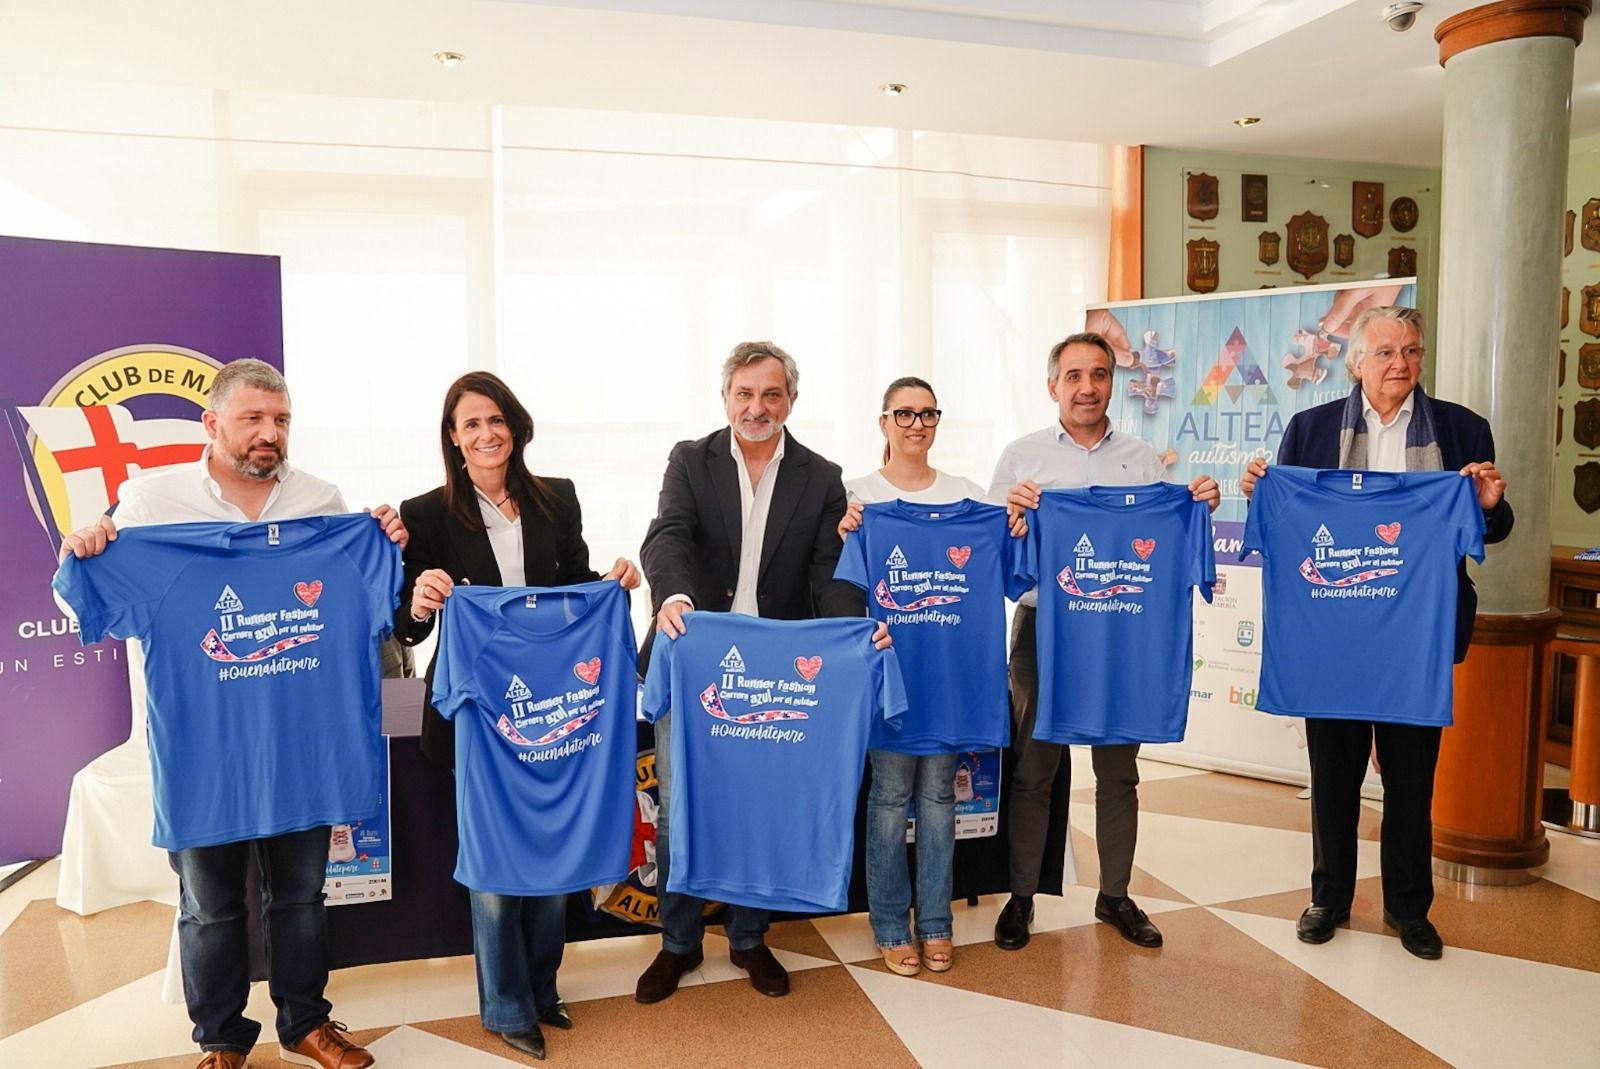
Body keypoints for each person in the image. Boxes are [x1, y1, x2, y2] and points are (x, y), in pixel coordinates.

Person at [59, 359, 405, 1069]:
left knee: (302, 896)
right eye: (252, 419)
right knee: (209, 905)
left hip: (302, 745)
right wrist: (85, 550)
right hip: (204, 752)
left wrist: (385, 542)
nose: (268, 433)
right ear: (212, 424)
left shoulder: (323, 503)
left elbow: (376, 604)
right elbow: (84, 602)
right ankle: (220, 1039)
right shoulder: (152, 505)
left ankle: (307, 1022)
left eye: (280, 420)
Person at [1241, 305, 1511, 960]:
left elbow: (1490, 533)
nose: (1401, 365)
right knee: (1333, 774)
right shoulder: (1308, 430)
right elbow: (1286, 523)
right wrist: (1258, 489)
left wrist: (1490, 504)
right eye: (1387, 352)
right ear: (1356, 361)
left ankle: (1408, 907)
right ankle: (1328, 896)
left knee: (1412, 780)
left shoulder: (1460, 427)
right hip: (1330, 633)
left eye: (1412, 352)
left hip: (1416, 637)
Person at [634, 340, 888, 1003]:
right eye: (744, 393)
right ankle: (678, 942)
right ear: (725, 398)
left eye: (771, 394)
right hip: (694, 658)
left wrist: (852, 632)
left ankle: (749, 938)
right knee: (680, 810)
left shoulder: (821, 474)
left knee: (763, 807)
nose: (757, 406)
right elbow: (668, 535)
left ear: (791, 401)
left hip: (778, 673)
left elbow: (829, 569)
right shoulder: (690, 460)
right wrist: (675, 596)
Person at [397, 371, 639, 1058]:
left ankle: (542, 988)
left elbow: (574, 595)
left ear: (516, 425)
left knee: (554, 858)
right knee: (499, 869)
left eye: (495, 419)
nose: (485, 433)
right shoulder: (427, 512)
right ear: (453, 436)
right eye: (470, 423)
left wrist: (614, 583)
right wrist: (421, 600)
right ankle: (505, 1008)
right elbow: (407, 630)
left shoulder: (555, 498)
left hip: (554, 709)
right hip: (478, 717)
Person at [989, 332, 1219, 952]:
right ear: (1052, 386)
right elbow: (994, 554)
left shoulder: (1144, 459)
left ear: (1112, 382)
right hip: (1046, 629)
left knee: (1119, 772)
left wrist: (1197, 504)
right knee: (1035, 767)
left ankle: (1114, 894)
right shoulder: (1021, 457)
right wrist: (1010, 516)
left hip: (1123, 628)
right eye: (1073, 376)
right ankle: (1021, 896)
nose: (1087, 387)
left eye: (1098, 374)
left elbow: (1168, 532)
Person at [837, 376, 990, 977]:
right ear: (883, 422)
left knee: (938, 801)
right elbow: (837, 585)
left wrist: (1020, 526)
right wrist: (843, 528)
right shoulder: (856, 498)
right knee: (888, 798)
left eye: (928, 414)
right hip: (888, 679)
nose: (917, 424)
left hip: (951, 679)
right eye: (904, 414)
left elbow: (1010, 574)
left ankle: (935, 923)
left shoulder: (969, 497)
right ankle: (889, 925)